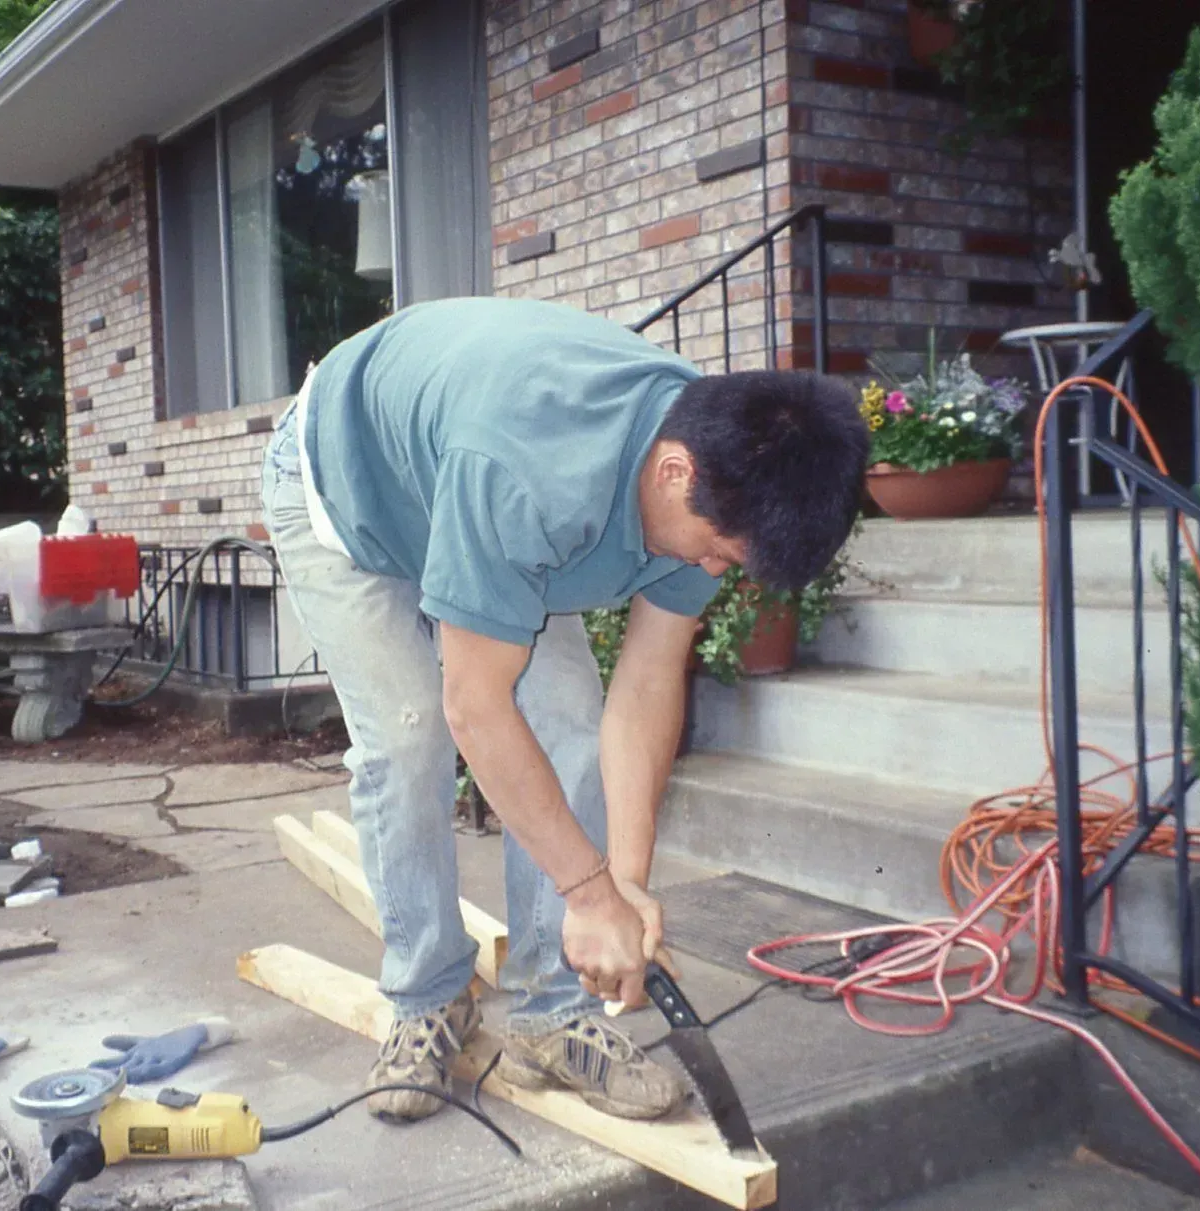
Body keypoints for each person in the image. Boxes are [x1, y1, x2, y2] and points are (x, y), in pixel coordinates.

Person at [259, 295, 867, 1123]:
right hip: (347, 487)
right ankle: (427, 997)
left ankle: (557, 1011)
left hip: (464, 484)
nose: (717, 570)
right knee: (409, 740)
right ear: (674, 472)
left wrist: (624, 880)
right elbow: (475, 705)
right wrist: (588, 892)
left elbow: (648, 680)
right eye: (720, 552)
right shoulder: (535, 472)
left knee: (571, 718)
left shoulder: (721, 465)